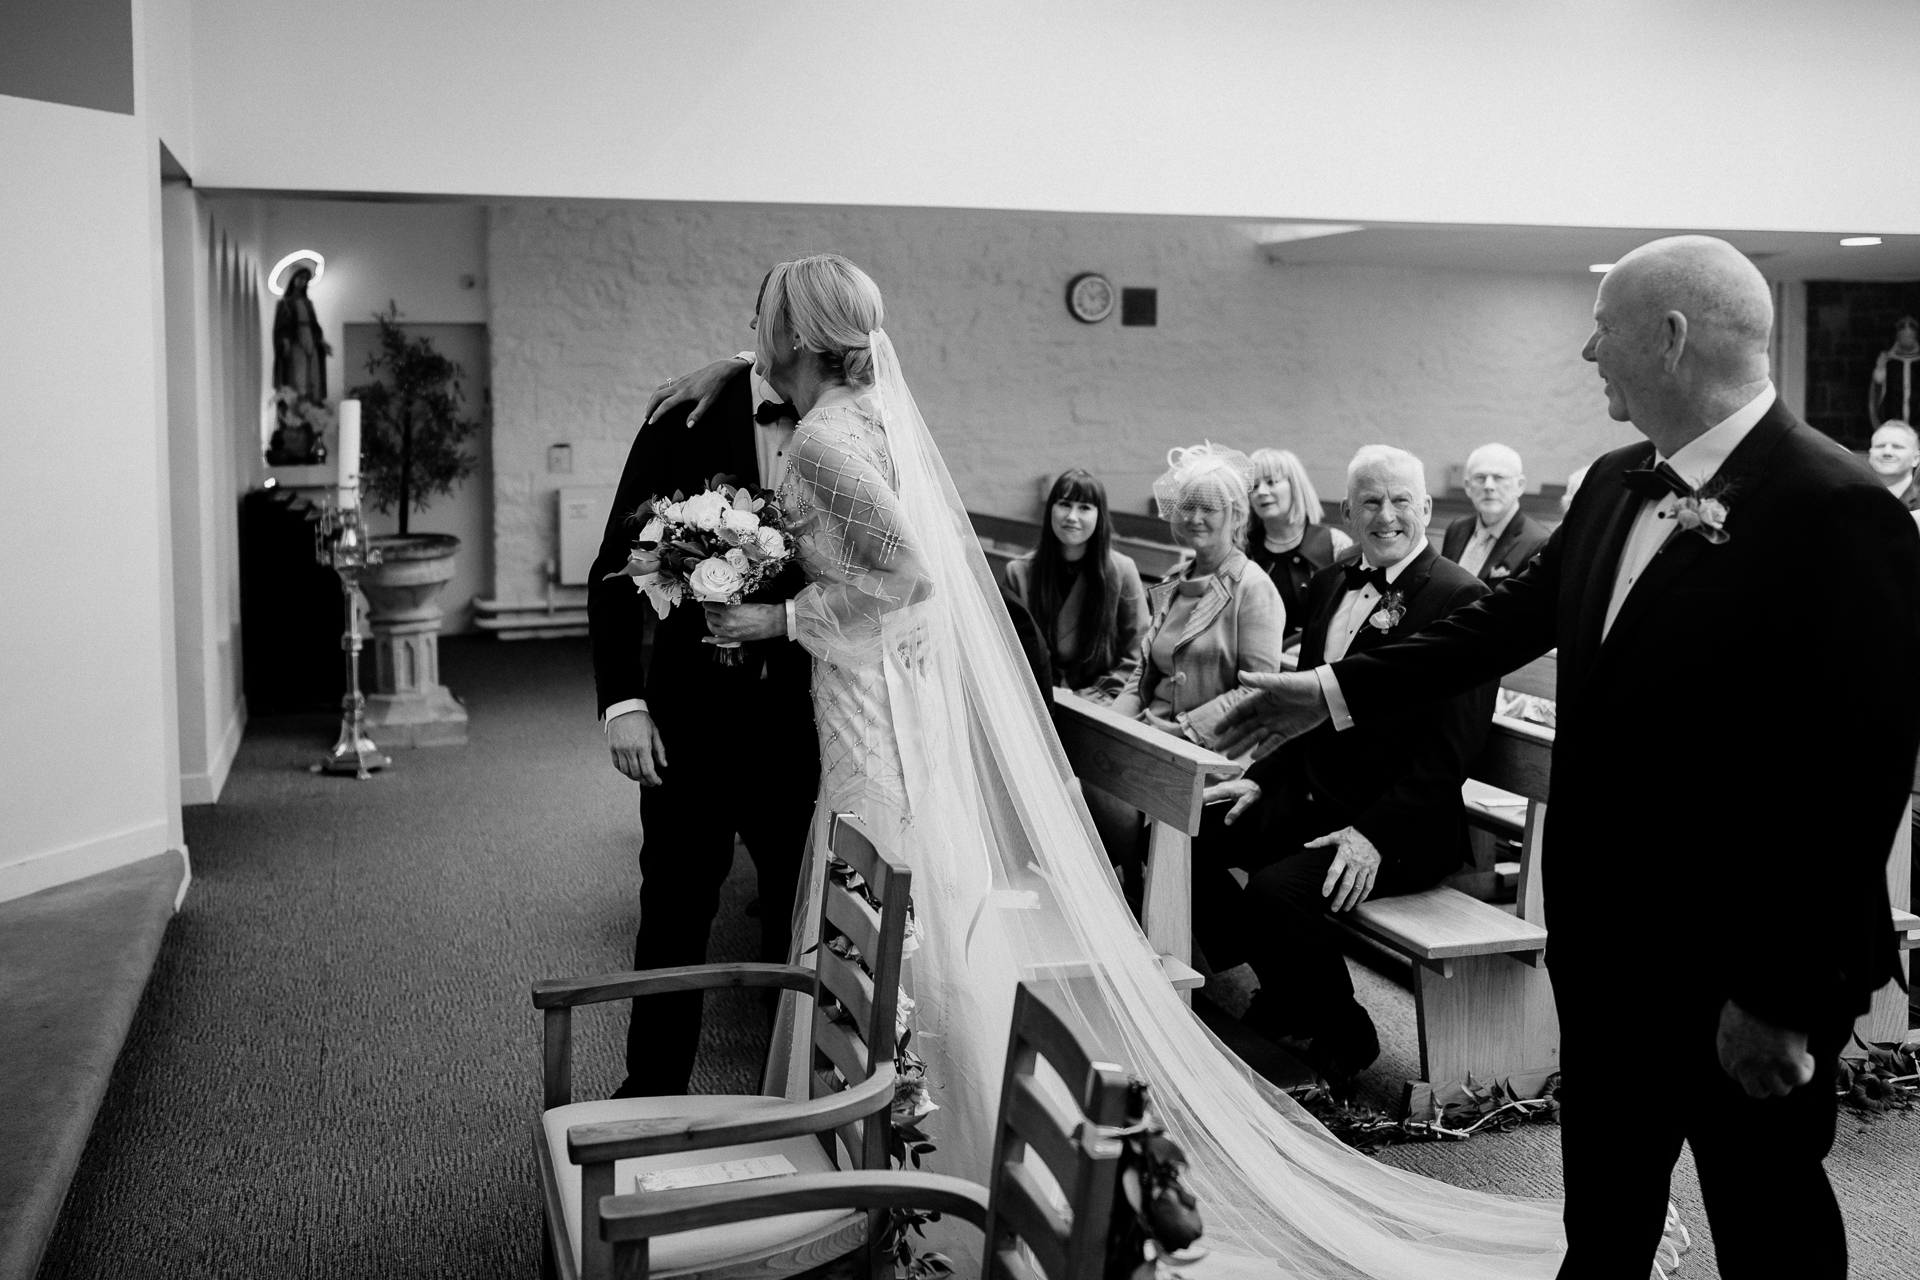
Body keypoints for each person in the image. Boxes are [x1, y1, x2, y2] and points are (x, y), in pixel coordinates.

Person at [645, 255, 1570, 1277]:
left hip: (869, 715)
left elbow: (906, 574)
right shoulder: (866, 413)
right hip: (887, 705)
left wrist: (773, 611)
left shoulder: (825, 434)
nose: (753, 327)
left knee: (886, 912)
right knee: (914, 922)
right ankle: (916, 1143)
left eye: (762, 315)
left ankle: (906, 1148)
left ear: (795, 329)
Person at [1212, 235, 1920, 1279]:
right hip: (1608, 940)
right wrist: (1334, 689)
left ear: (1672, 337)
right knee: (1605, 1218)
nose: (1590, 350)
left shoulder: (1838, 507)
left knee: (1770, 1226)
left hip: (1743, 960)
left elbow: (1854, 779)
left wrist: (1782, 997)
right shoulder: (1613, 482)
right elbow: (1496, 624)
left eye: (1606, 328)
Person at [1191, 446, 1493, 1098]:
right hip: (1316, 793)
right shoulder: (1331, 582)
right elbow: (1309, 711)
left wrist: (1372, 835)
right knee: (1195, 834)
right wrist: (1262, 776)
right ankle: (1287, 990)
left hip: (1403, 825)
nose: (1386, 516)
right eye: (1371, 503)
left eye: (1400, 501)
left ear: (1427, 509)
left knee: (1278, 891)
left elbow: (1449, 758)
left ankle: (1345, 1028)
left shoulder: (1462, 598)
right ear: (1348, 512)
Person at [586, 276, 818, 1099]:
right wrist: (625, 702)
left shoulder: (849, 414)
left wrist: (779, 621)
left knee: (809, 924)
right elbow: (614, 572)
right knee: (674, 913)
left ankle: (801, 1099)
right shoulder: (680, 415)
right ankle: (649, 1094)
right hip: (689, 717)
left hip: (810, 720)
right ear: (760, 328)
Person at [1112, 445, 1287, 733]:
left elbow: (1257, 690)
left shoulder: (1253, 588)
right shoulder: (1173, 580)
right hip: (1150, 730)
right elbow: (1143, 673)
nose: (1194, 518)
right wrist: (1111, 723)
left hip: (1212, 745)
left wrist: (1183, 730)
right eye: (1188, 506)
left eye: (1208, 508)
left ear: (1239, 515)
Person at [1004, 469, 1149, 703]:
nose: (1072, 516)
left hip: (1100, 701)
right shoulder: (1019, 572)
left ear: (1099, 515)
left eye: (1084, 507)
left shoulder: (1122, 570)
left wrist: (1089, 697)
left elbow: (1136, 654)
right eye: (1064, 504)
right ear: (1050, 508)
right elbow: (1009, 650)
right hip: (1033, 698)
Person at [1245, 447, 1352, 634]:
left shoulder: (1335, 543)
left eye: (1271, 482)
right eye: (1253, 486)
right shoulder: (1243, 549)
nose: (1261, 492)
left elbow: (1350, 614)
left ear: (1295, 487)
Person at [1440, 443, 1551, 583]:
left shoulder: (1539, 543)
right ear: (1468, 486)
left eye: (1499, 477)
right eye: (1480, 477)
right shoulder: (1456, 529)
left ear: (1520, 485)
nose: (1488, 486)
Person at [1869, 315, 1920, 430]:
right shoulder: (1888, 361)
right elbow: (1877, 390)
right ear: (1898, 337)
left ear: (1915, 337)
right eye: (1904, 336)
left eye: (1910, 336)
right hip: (1893, 425)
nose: (1907, 339)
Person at [1867, 419, 1920, 512]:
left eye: (1897, 447)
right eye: (1880, 446)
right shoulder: (1852, 499)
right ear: (1870, 455)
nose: (1887, 452)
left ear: (1916, 458)